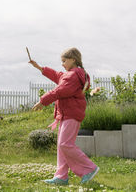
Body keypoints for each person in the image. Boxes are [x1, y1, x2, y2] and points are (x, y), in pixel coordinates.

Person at [29, 47, 99, 185]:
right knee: (62, 146)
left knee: (65, 144)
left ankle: (89, 169)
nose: (62, 63)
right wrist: (39, 67)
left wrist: (43, 101)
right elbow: (56, 75)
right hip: (67, 115)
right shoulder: (71, 74)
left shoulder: (73, 76)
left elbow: (60, 90)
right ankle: (61, 176)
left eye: (64, 60)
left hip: (71, 115)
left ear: (73, 60)